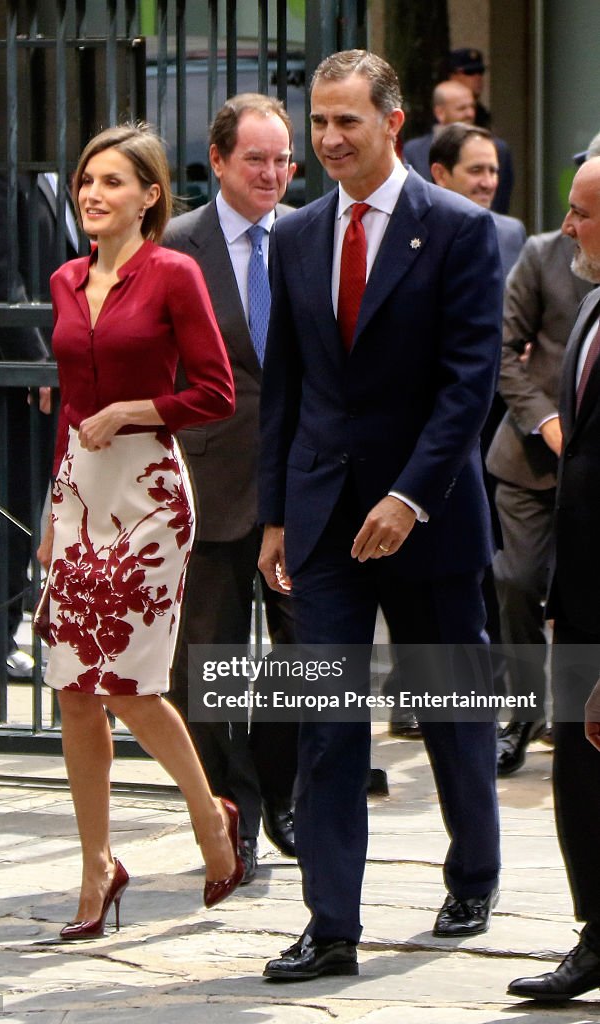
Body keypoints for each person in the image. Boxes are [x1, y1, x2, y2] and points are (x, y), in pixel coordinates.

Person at [258, 49, 502, 981]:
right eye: (317, 122)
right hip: (321, 515)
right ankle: (331, 925)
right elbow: (288, 385)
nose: (326, 140)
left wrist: (408, 496)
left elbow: (466, 385)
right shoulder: (297, 235)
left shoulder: (458, 231)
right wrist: (279, 510)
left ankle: (474, 872)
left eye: (346, 122)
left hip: (429, 515)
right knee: (326, 720)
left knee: (450, 708)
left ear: (393, 122)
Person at [36, 123, 241, 940]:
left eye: (113, 181)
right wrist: (53, 517)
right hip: (80, 496)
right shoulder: (62, 279)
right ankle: (97, 865)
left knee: (128, 683)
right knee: (72, 690)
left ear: (150, 195)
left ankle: (208, 817)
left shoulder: (175, 275)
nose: (93, 193)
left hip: (151, 497)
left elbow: (217, 392)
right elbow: (67, 408)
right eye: (87, 179)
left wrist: (134, 410)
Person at [164, 94, 299, 883]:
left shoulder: (311, 238)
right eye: (257, 159)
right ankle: (235, 813)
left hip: (299, 486)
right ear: (217, 160)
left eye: (284, 159)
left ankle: (281, 792)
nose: (274, 174)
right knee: (202, 668)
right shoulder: (178, 247)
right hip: (208, 481)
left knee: (313, 653)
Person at [508, 156, 600, 1002]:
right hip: (580, 592)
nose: (568, 227)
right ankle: (596, 932)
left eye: (584, 214)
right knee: (578, 773)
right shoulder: (591, 298)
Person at [0, 135, 84, 681]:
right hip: (18, 381)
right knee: (7, 512)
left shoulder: (56, 160)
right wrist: (36, 363)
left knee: (28, 510)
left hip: (55, 374)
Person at [403, 80, 514, 215]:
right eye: (462, 108)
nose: (470, 114)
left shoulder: (497, 149)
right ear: (440, 113)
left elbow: (500, 208)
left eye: (472, 107)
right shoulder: (413, 151)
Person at [429, 123, 525, 277]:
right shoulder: (415, 234)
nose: (488, 183)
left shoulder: (511, 233)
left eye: (493, 171)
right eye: (476, 171)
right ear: (440, 175)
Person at [448, 48, 491, 128]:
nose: (478, 77)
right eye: (470, 72)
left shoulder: (482, 115)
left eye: (480, 72)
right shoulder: (443, 112)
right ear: (453, 77)